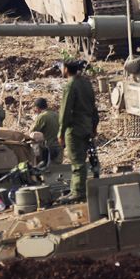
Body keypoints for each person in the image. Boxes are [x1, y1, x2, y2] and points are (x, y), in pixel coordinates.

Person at [57, 60, 97, 203]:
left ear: (66, 69)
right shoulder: (86, 83)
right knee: (83, 160)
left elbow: (65, 110)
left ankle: (78, 192)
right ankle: (76, 190)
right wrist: (94, 127)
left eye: (61, 67)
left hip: (74, 128)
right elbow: (94, 108)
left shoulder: (70, 85)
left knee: (77, 162)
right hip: (86, 126)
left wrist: (61, 132)